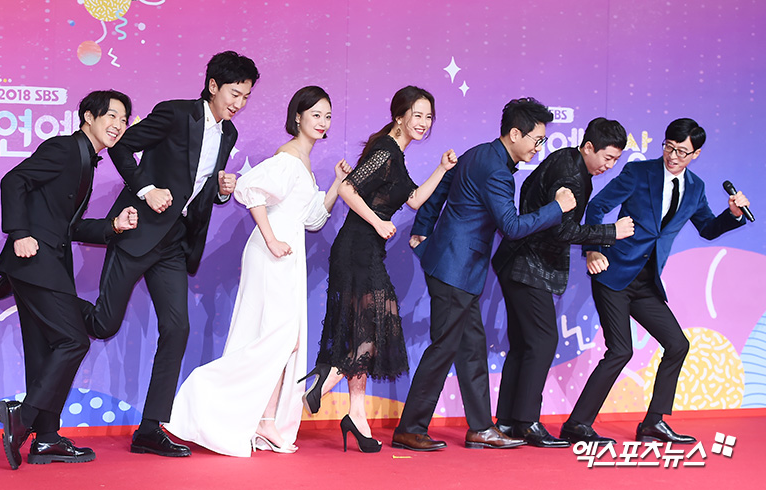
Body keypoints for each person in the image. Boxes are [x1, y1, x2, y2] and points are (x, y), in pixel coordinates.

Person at [81, 51, 259, 457]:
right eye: (235, 93)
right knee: (105, 324)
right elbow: (121, 147)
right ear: (213, 86)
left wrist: (219, 189)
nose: (239, 103)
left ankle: (149, 427)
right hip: (137, 230)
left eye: (246, 97)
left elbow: (196, 186)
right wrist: (147, 189)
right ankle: (40, 295)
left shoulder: (227, 135)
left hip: (174, 244)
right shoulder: (176, 114)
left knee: (177, 329)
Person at [164, 86, 351, 457]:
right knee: (276, 339)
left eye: (327, 116)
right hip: (275, 251)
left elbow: (313, 219)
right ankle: (205, 396)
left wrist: (335, 187)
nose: (322, 122)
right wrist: (270, 239)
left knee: (283, 341)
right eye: (315, 114)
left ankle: (264, 426)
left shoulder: (304, 161)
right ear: (297, 116)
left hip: (288, 249)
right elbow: (249, 189)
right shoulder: (288, 157)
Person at [392, 97, 577, 452]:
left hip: (459, 267)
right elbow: (511, 226)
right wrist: (558, 208)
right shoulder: (497, 170)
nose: (539, 147)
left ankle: (480, 427)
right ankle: (410, 427)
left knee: (472, 349)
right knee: (444, 348)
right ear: (514, 134)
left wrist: (423, 226)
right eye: (536, 139)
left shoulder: (480, 152)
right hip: (455, 269)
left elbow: (445, 184)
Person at [564, 118, 750, 444]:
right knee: (620, 350)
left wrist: (732, 214)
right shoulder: (639, 173)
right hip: (614, 273)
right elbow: (597, 207)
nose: (673, 156)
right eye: (669, 147)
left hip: (647, 282)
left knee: (678, 344)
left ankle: (653, 422)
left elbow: (706, 228)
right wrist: (593, 251)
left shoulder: (695, 188)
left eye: (682, 151)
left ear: (696, 154)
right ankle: (577, 424)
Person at [300, 86, 457, 453]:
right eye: (417, 115)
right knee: (375, 323)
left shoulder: (396, 154)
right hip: (356, 248)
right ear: (400, 115)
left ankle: (355, 413)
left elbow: (416, 199)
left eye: (428, 116)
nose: (423, 122)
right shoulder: (386, 149)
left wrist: (442, 169)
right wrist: (377, 222)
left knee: (363, 329)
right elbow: (349, 189)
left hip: (367, 249)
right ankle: (322, 384)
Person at [0, 90, 137, 469]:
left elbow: (66, 226)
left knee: (45, 350)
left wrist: (112, 227)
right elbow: (14, 181)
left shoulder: (85, 160)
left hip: (42, 265)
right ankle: (22, 419)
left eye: (124, 120)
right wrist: (19, 231)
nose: (119, 126)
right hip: (34, 261)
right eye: (113, 116)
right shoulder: (63, 148)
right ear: (89, 116)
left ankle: (46, 439)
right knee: (73, 340)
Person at [492, 117, 634, 448]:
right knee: (541, 342)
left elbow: (533, 196)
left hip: (521, 262)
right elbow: (562, 229)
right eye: (607, 158)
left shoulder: (566, 160)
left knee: (525, 345)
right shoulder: (572, 175)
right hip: (529, 266)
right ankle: (526, 422)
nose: (609, 167)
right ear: (589, 147)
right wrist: (609, 232)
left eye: (615, 160)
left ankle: (512, 422)